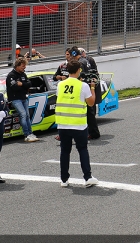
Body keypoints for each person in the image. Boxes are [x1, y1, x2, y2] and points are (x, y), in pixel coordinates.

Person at [56, 60, 99, 188]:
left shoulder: (61, 84)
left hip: (63, 123)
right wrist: (92, 87)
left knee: (65, 151)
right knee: (82, 150)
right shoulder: (83, 86)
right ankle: (87, 177)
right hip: (78, 124)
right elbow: (91, 102)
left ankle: (64, 179)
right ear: (79, 70)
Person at [6, 57, 38, 142]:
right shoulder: (11, 75)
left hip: (24, 98)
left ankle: (30, 133)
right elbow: (15, 87)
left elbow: (29, 84)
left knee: (27, 115)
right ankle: (27, 134)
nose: (24, 67)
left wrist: (22, 84)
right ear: (17, 66)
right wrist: (23, 86)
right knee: (23, 115)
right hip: (15, 99)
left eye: (25, 66)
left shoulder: (23, 74)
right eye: (23, 66)